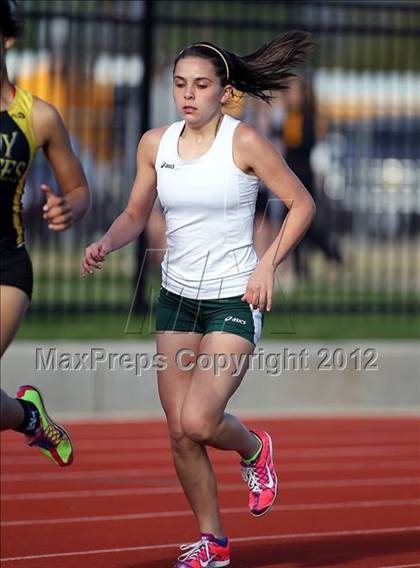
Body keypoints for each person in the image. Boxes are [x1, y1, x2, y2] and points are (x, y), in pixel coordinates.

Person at [82, 32, 315, 567]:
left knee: (200, 420)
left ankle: (254, 449)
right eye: (180, 84)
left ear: (223, 91)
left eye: (201, 85)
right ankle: (212, 542)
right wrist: (106, 243)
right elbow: (136, 214)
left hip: (234, 295)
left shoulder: (246, 143)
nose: (188, 94)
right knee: (178, 429)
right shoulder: (154, 144)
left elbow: (302, 205)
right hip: (177, 299)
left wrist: (266, 265)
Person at [0, 0, 90, 466]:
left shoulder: (38, 117)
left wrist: (67, 208)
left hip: (6, 268)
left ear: (7, 38)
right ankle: (30, 418)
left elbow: (78, 189)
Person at [281, 76, 342, 278]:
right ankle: (299, 268)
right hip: (288, 177)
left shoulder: (308, 118)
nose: (289, 96)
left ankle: (332, 256)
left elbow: (301, 143)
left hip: (303, 177)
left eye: (293, 92)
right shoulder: (289, 116)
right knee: (290, 224)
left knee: (307, 225)